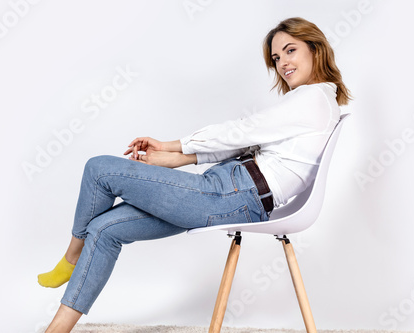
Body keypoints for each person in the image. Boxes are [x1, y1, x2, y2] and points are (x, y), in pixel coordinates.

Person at [38, 17, 351, 332]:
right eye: (276, 58)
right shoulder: (313, 103)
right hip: (227, 190)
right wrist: (175, 158)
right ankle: (57, 329)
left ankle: (72, 254)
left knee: (99, 168)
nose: (283, 63)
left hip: (231, 195)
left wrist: (175, 146)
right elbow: (242, 144)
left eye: (290, 50)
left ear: (315, 48)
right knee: (106, 228)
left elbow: (240, 132)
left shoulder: (311, 99)